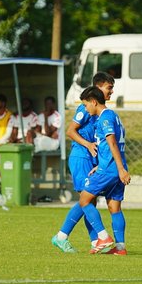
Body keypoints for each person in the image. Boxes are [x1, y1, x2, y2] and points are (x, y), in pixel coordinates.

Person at [52, 86, 129, 255]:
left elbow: (112, 143)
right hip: (111, 166)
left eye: (86, 105)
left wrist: (117, 168)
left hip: (110, 169)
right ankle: (120, 248)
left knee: (85, 200)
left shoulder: (104, 119)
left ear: (93, 102)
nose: (85, 109)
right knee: (114, 207)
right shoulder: (114, 116)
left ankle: (102, 238)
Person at [61, 72, 116, 246]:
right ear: (97, 88)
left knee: (89, 200)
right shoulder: (85, 109)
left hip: (91, 159)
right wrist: (88, 144)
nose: (112, 92)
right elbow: (70, 131)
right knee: (87, 199)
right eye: (109, 88)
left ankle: (94, 242)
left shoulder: (102, 113)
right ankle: (69, 237)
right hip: (81, 157)